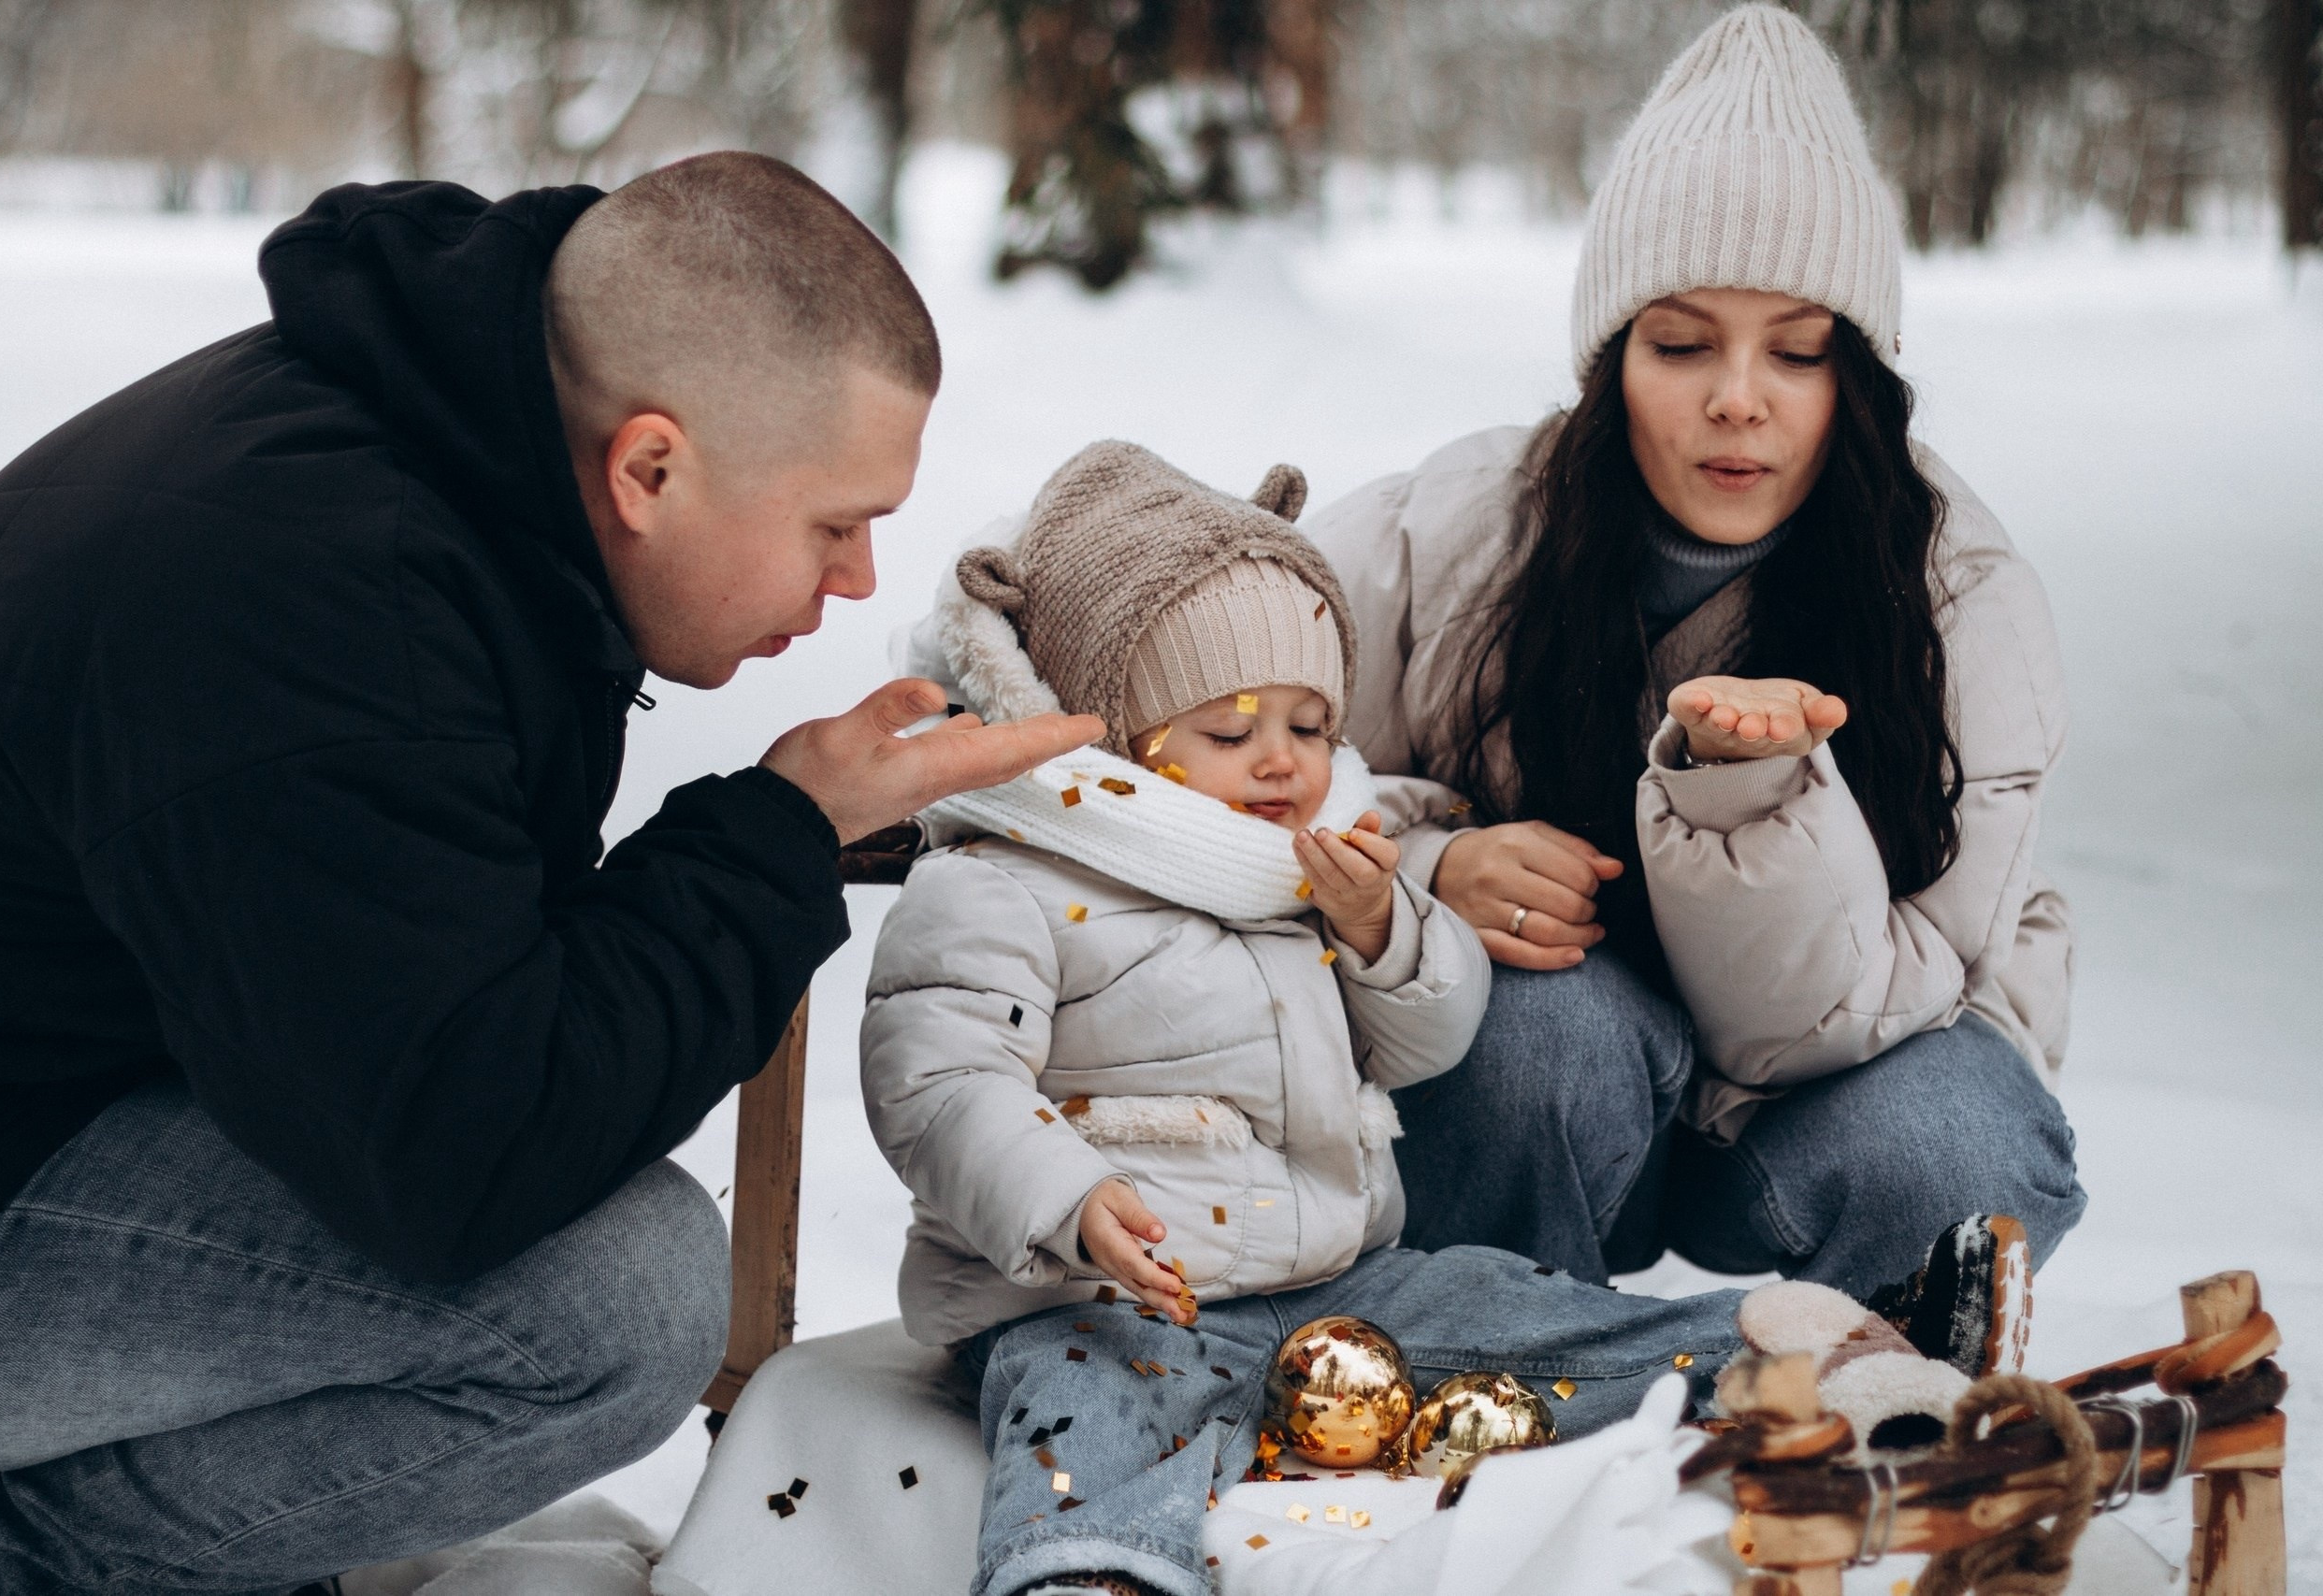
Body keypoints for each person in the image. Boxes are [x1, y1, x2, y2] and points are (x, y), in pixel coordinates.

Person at [0, 153, 1099, 1594]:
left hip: (54, 1091)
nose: (864, 578)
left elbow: (440, 989)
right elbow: (467, 1150)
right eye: (834, 523)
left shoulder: (460, 460)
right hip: (13, 1158)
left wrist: (787, 817)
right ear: (649, 466)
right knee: (611, 1301)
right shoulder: (326, 611)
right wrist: (777, 833)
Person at [868, 441, 1993, 1596]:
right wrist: (1063, 1200)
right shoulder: (1002, 880)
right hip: (1094, 1295)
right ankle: (1088, 1570)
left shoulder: (1297, 872)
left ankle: (1827, 1364)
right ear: (1116, 734)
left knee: (1521, 1316)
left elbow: (1428, 1045)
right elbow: (939, 1082)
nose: (1283, 762)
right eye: (1232, 727)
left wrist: (1380, 933)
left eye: (1310, 725)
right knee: (1095, 1405)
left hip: (1329, 1286)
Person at [1305, 7, 2087, 1301]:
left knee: (1962, 1140)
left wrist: (1755, 806)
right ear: (1611, 362)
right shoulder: (1455, 529)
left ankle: (1869, 1439)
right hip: (1545, 1096)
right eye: (1680, 343)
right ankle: (1478, 1388)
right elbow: (1231, 722)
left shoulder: (1962, 600)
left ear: (1862, 377)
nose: (1740, 397)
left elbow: (1818, 1019)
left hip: (1844, 1090)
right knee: (1530, 1028)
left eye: (1797, 350)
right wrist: (1432, 871)